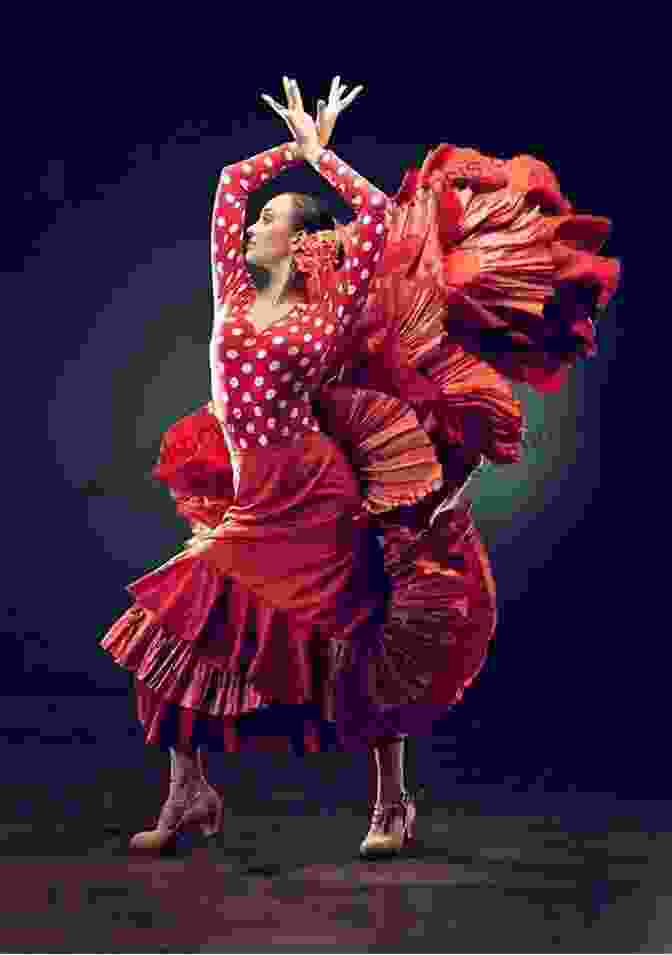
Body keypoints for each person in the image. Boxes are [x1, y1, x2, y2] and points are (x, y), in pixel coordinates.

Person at [101, 76, 621, 857]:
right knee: (177, 622)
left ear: (298, 236)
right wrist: (290, 148)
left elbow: (376, 217)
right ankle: (190, 789)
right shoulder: (233, 287)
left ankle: (391, 802)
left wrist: (325, 157)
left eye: (273, 217)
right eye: (261, 217)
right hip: (255, 492)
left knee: (361, 638)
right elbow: (228, 183)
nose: (256, 223)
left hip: (314, 488)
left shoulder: (326, 314)